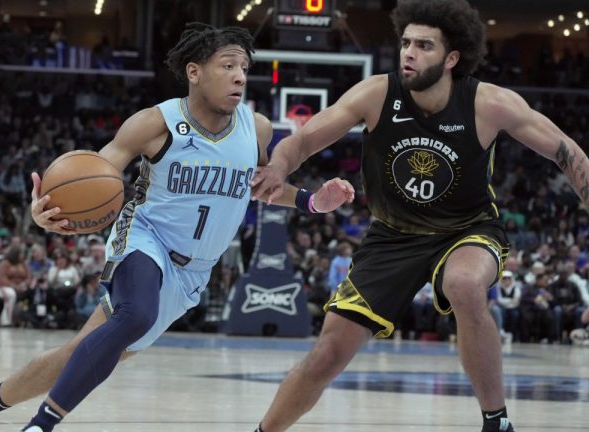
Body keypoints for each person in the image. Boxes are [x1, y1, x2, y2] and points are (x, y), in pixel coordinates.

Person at [0, 23, 354, 432]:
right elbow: (93, 172)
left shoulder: (256, 128)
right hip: (145, 238)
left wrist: (313, 201)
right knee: (136, 314)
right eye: (228, 66)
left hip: (192, 273)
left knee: (81, 354)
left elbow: (263, 187)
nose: (239, 76)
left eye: (244, 68)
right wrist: (48, 210)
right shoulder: (156, 123)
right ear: (195, 71)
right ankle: (40, 426)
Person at [248, 1, 589, 431]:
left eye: (424, 45)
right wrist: (279, 168)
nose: (409, 52)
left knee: (464, 283)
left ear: (451, 58)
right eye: (406, 42)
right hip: (392, 236)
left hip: (467, 230)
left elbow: (566, 151)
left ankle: (496, 421)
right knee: (327, 356)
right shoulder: (375, 93)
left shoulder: (489, 103)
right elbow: (301, 141)